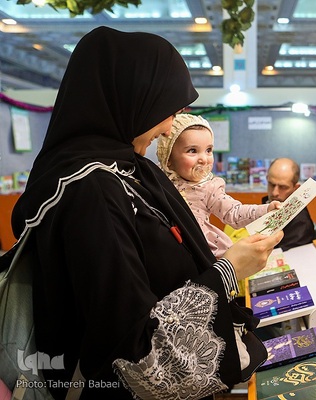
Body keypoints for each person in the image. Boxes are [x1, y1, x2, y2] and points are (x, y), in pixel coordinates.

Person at [9, 26, 282, 400]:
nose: (169, 128)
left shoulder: (130, 170)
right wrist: (228, 271)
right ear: (132, 98)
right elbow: (132, 349)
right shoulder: (91, 190)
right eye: (166, 110)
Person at [156, 113, 280, 258]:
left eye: (208, 150)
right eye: (192, 151)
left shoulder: (209, 187)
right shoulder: (158, 180)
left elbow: (234, 213)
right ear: (168, 158)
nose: (204, 159)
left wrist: (265, 209)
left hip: (201, 253)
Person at [262, 158, 316, 251]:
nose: (274, 193)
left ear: (296, 188)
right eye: (271, 184)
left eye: (283, 187)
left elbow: (284, 257)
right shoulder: (267, 202)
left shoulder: (300, 224)